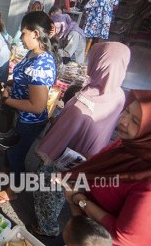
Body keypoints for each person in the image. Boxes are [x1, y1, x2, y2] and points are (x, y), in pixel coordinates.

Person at [31, 42, 130, 237]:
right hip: (91, 155)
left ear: (99, 64)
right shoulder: (118, 94)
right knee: (64, 192)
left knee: (48, 192)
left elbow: (61, 134)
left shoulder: (84, 101)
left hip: (65, 157)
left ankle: (47, 228)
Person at [64, 90, 151, 245]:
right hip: (83, 225)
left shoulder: (146, 180)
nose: (123, 121)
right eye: (127, 111)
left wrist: (79, 200)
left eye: (136, 121)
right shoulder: (128, 143)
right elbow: (106, 165)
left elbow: (124, 237)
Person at [0, 11, 57, 203]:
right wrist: (11, 85)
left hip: (29, 120)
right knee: (10, 149)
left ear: (35, 34)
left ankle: (16, 188)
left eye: (23, 33)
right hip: (20, 115)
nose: (21, 38)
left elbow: (37, 106)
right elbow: (23, 78)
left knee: (16, 153)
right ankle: (7, 175)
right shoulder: (32, 54)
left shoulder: (42, 63)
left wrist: (6, 100)